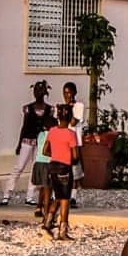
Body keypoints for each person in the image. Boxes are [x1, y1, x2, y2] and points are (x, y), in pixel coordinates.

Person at [2, 80, 54, 206]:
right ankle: (7, 193)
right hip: (27, 140)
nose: (38, 93)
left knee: (35, 168)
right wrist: (19, 143)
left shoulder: (49, 109)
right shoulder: (28, 108)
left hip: (41, 142)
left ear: (45, 92)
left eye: (41, 90)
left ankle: (30, 196)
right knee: (19, 167)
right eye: (36, 90)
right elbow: (24, 126)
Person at [42, 102, 80, 240]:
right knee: (65, 199)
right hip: (65, 167)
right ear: (70, 117)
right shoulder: (71, 134)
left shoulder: (52, 131)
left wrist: (55, 154)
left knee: (57, 195)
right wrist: (70, 158)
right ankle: (63, 229)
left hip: (53, 166)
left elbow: (45, 150)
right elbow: (75, 156)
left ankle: (48, 221)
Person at [61, 81, 86, 207]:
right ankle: (62, 195)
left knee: (75, 171)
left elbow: (73, 122)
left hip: (75, 142)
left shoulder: (78, 106)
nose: (67, 95)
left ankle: (73, 197)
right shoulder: (62, 107)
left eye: (69, 92)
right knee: (64, 170)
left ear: (74, 93)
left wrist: (68, 108)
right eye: (65, 93)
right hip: (64, 142)